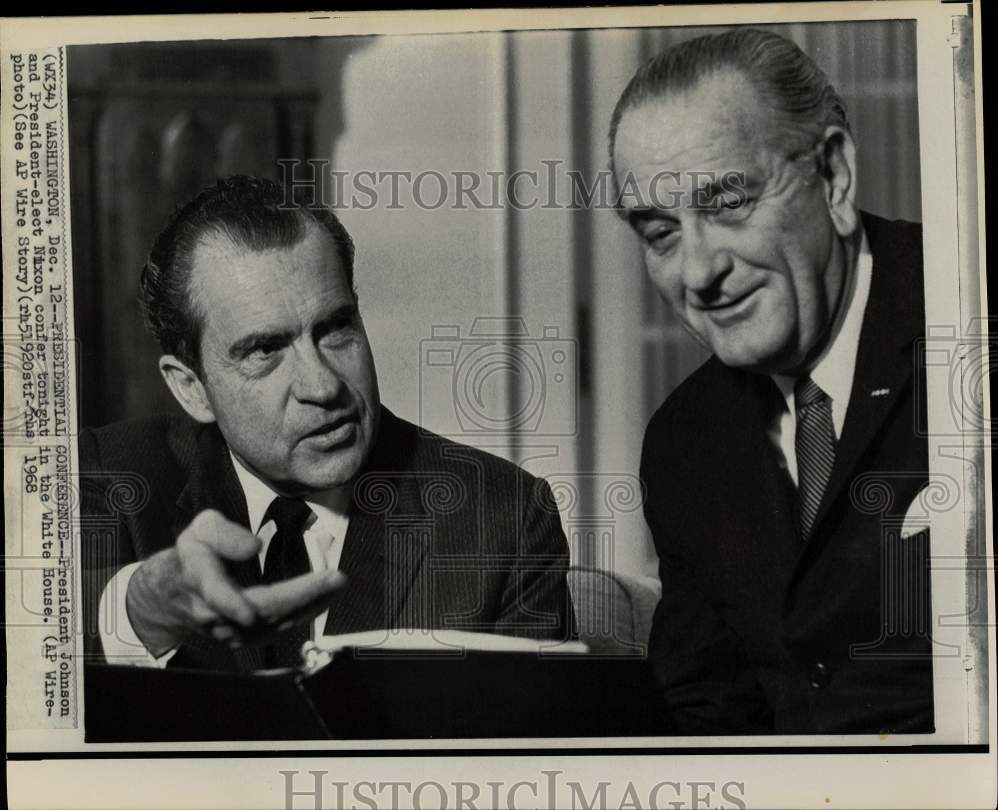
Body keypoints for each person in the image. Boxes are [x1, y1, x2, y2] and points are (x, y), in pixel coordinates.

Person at [80, 175, 573, 673]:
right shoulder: (108, 477)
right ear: (192, 388)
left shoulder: (502, 518)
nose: (323, 387)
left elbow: (526, 749)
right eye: (265, 350)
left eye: (336, 328)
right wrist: (142, 609)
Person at [610, 29, 932, 733]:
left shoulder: (968, 322)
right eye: (661, 232)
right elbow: (706, 713)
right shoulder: (684, 441)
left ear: (834, 177)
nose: (698, 274)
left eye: (727, 203)